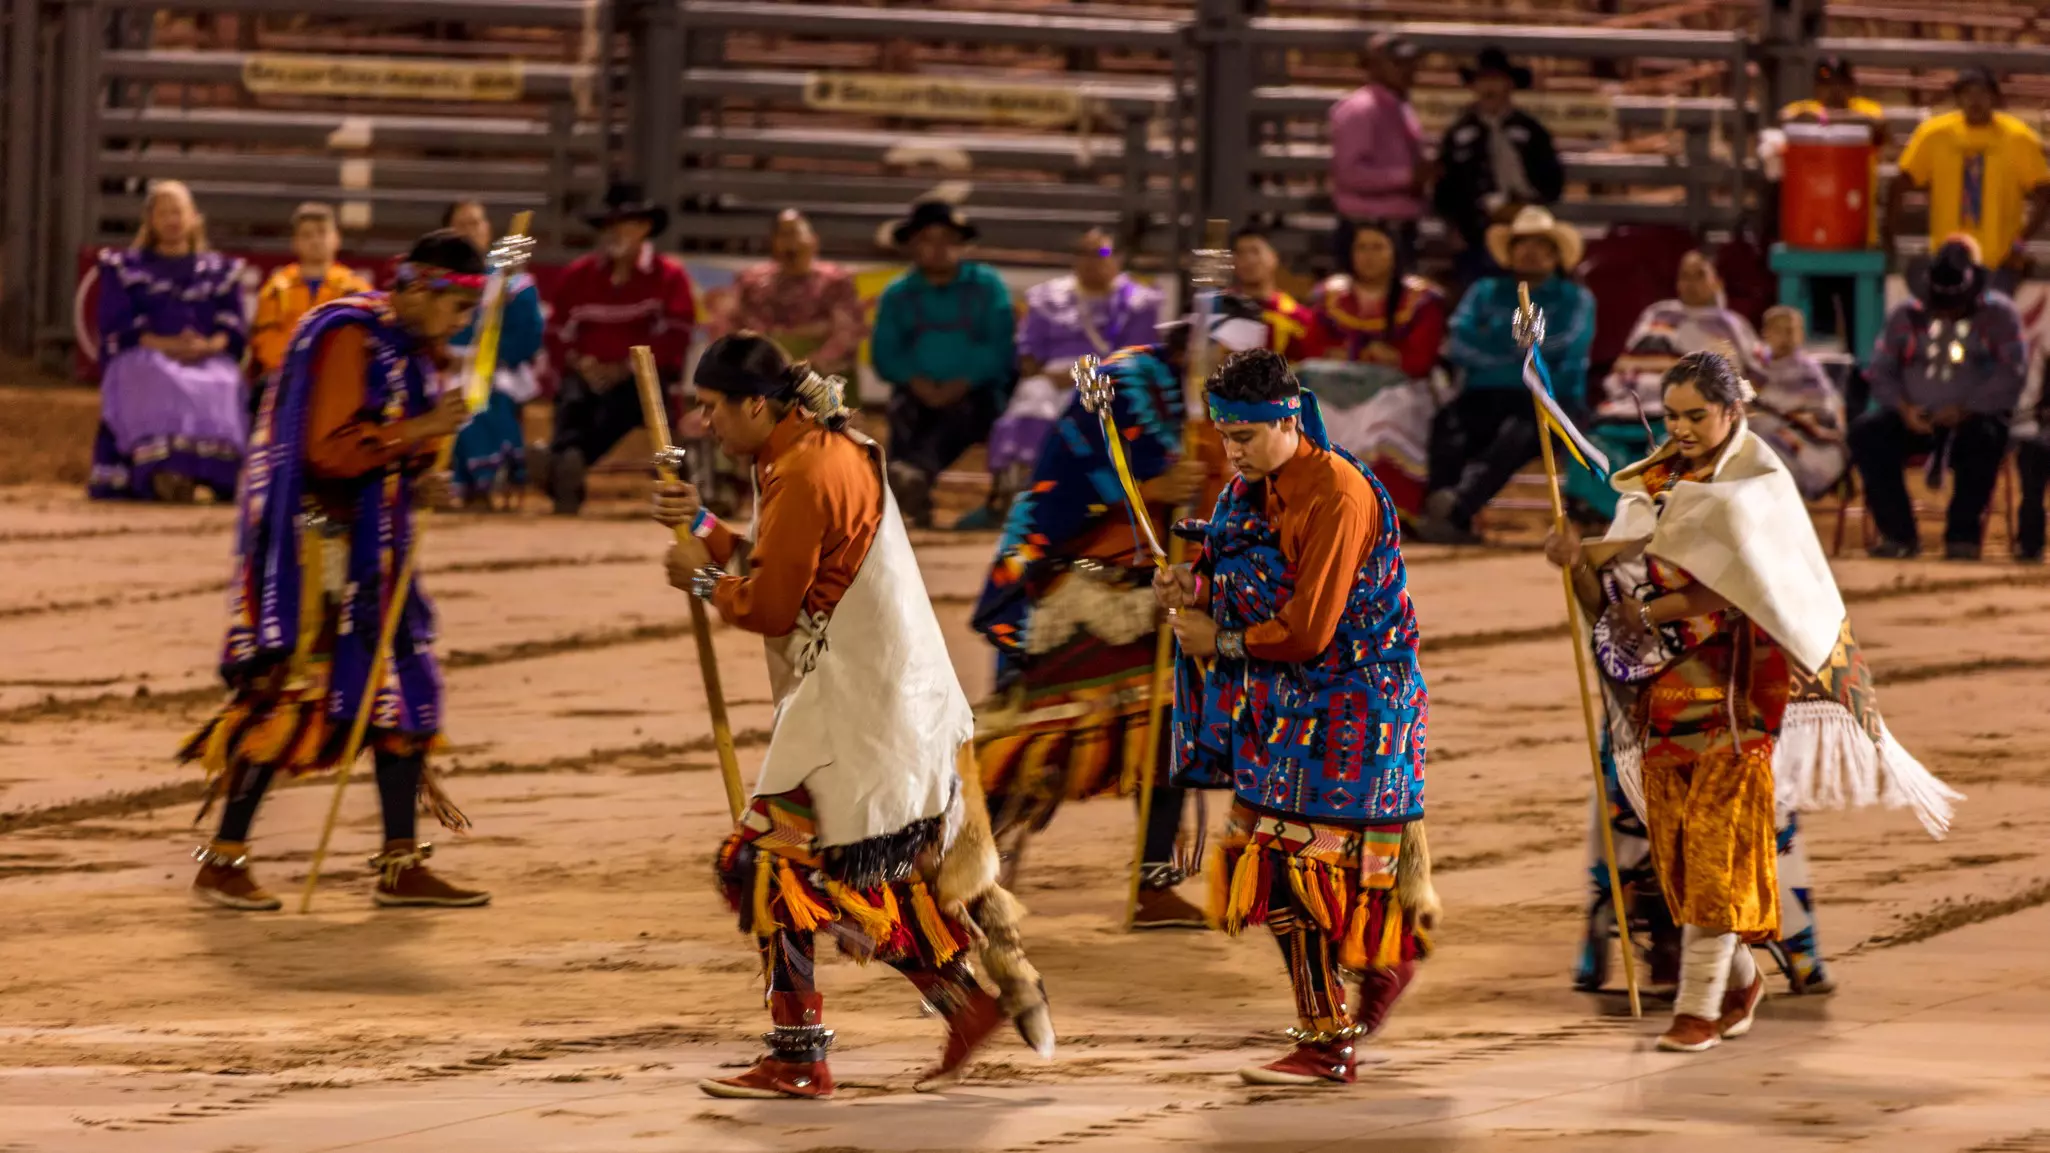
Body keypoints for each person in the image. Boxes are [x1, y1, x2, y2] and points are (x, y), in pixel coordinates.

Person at [652, 335, 1054, 1099]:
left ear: (756, 404)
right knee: (845, 869)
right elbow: (788, 565)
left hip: (863, 710)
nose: (704, 423)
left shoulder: (805, 469)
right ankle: (963, 1004)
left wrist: (704, 579)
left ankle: (799, 1055)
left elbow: (771, 603)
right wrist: (703, 523)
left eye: (711, 408)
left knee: (764, 864)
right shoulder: (826, 448)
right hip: (891, 702)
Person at [1548, 351, 1958, 1050]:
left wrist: (1639, 589)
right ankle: (1740, 982)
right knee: (1676, 868)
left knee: (1713, 860)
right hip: (1659, 705)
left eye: (1695, 414)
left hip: (1737, 705)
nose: (1679, 427)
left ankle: (1697, 1008)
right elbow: (1608, 607)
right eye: (1671, 414)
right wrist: (1582, 561)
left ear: (1733, 410)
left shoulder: (1758, 486)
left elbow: (1731, 585)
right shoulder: (1648, 488)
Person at [177, 229, 495, 912]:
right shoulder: (348, 335)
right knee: (295, 694)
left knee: (405, 690)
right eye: (453, 308)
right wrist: (417, 433)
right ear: (417, 288)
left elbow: (386, 453)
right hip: (317, 553)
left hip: (376, 553)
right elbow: (327, 451)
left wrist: (419, 478)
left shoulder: (411, 355)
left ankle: (400, 862)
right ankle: (224, 858)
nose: (457, 324)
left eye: (466, 314)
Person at [1157, 348, 1436, 1086]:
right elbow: (1241, 567)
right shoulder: (1252, 486)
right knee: (1293, 863)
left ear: (1287, 418)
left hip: (1355, 707)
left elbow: (1310, 627)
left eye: (1244, 435)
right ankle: (1382, 969)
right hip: (1287, 706)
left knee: (1291, 872)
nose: (1231, 452)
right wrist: (1198, 579)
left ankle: (1326, 1040)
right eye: (1224, 435)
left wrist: (1215, 636)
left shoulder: (1336, 493)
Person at [971, 300, 1269, 930]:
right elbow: (1085, 461)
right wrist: (1148, 486)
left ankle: (1152, 887)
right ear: (1198, 347)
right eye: (1224, 360)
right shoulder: (1129, 380)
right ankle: (967, 876)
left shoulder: (1225, 412)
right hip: (1081, 586)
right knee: (1043, 739)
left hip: (1155, 592)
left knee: (1172, 728)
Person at [1415, 206, 1595, 543]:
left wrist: (1504, 351)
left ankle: (1456, 507)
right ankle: (1443, 510)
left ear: (1556, 254)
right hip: (1485, 393)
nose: (1530, 252)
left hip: (1550, 397)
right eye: (1522, 244)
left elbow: (1568, 347)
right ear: (1509, 252)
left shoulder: (1575, 299)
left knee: (1516, 435)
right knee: (1448, 425)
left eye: (1541, 245)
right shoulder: (1484, 292)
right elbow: (1458, 343)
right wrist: (1519, 354)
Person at [1852, 239, 2025, 560]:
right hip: (1915, 417)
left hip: (1973, 419)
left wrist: (1966, 408)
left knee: (1986, 438)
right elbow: (1881, 369)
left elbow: (2012, 373)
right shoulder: (1905, 316)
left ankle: (1963, 537)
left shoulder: (1999, 315)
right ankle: (1899, 535)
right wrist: (1904, 409)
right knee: (1867, 432)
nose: (1946, 310)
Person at [1566, 251, 1767, 520]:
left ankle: (1654, 516)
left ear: (1716, 281)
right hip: (1631, 410)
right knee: (1592, 446)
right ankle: (1612, 516)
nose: (1691, 283)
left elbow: (1751, 377)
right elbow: (1632, 364)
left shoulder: (1731, 325)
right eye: (1685, 276)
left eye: (1699, 275)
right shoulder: (1658, 314)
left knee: (1670, 450)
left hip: (1686, 415)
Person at [542, 182, 697, 515]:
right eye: (607, 225)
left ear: (645, 227)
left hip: (645, 381)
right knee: (573, 395)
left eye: (623, 223)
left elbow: (675, 339)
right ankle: (565, 465)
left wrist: (625, 367)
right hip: (588, 376)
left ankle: (568, 462)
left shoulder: (669, 277)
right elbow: (556, 335)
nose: (613, 233)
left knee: (627, 398)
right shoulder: (577, 277)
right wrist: (580, 362)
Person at [89, 180, 249, 503]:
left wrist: (208, 346)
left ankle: (209, 474)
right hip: (148, 354)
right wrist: (169, 345)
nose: (172, 220)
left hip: (205, 355)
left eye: (178, 212)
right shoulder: (124, 268)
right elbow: (118, 327)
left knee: (224, 378)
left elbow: (233, 327)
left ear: (193, 218)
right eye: (163, 213)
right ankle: (161, 471)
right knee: (156, 375)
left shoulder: (220, 270)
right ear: (150, 221)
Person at [986, 229, 1164, 516]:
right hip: (1051, 377)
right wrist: (1048, 374)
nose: (1091, 261)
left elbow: (1136, 358)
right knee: (1033, 399)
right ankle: (1022, 492)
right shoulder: (1046, 297)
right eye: (1082, 253)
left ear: (1118, 258)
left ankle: (1089, 498)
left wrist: (1077, 375)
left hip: (1110, 379)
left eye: (1101, 253)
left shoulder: (1140, 302)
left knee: (1094, 411)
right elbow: (1028, 355)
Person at [870, 200, 1017, 529]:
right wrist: (914, 379)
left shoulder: (986, 286)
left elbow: (1000, 345)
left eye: (947, 239)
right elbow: (885, 352)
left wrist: (964, 381)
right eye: (927, 239)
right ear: (912, 245)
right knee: (903, 410)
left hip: (978, 393)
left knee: (962, 412)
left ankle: (911, 477)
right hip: (915, 390)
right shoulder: (898, 294)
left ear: (961, 245)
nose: (938, 249)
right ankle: (911, 491)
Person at [1297, 219, 1450, 515]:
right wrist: (1335, 354)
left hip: (1402, 387)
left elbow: (1421, 359)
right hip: (1335, 386)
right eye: (1362, 247)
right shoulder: (1329, 296)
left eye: (1378, 247)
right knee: (1310, 413)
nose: (1369, 255)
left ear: (1395, 252)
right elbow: (1311, 347)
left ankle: (1380, 510)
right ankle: (1323, 507)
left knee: (1386, 415)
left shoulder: (1421, 300)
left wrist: (1393, 357)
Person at [1886, 68, 2050, 291]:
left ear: (1995, 98)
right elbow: (1900, 184)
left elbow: (2044, 193)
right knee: (1947, 323)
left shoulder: (2017, 138)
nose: (1975, 100)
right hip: (1946, 263)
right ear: (1957, 98)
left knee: (1990, 323)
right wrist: (1890, 234)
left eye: (1982, 93)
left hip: (1998, 263)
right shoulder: (1934, 134)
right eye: (1967, 93)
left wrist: (2019, 243)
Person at [443, 199, 546, 509]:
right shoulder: (435, 281)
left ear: (488, 230)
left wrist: (480, 359)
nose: (470, 230)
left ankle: (487, 479)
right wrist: (443, 356)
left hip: (495, 368)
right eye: (462, 225)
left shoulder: (513, 282)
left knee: (481, 399)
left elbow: (528, 336)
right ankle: (451, 484)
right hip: (442, 366)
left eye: (476, 223)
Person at [1433, 48, 1565, 286]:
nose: (1489, 88)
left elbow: (1553, 181)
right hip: (1474, 233)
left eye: (1495, 80)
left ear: (1509, 85)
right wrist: (1454, 226)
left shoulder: (1531, 131)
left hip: (1524, 230)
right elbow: (1445, 187)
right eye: (1483, 80)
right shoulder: (1458, 133)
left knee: (1527, 298)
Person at [248, 203, 370, 420]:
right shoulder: (277, 288)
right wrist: (300, 367)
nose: (315, 240)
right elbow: (266, 343)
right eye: (307, 235)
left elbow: (363, 341)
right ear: (295, 242)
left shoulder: (356, 290)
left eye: (322, 232)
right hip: (287, 378)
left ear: (336, 238)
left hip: (339, 378)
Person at [1329, 33, 1427, 271]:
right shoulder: (1358, 109)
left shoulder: (1399, 106)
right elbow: (1349, 173)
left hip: (1397, 226)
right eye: (1397, 63)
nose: (1407, 70)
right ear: (1373, 66)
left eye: (1410, 63)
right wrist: (1408, 177)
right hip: (1368, 229)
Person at [1750, 306, 1848, 501]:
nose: (1786, 336)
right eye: (1779, 330)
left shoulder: (1810, 372)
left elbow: (1825, 411)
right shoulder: (1755, 369)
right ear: (1765, 334)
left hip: (1811, 444)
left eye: (1792, 330)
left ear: (1801, 334)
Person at [1230, 223, 1316, 362]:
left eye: (1255, 251)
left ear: (1274, 257)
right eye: (1241, 253)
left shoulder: (1297, 318)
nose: (1248, 260)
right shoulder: (1218, 309)